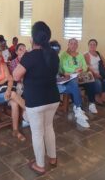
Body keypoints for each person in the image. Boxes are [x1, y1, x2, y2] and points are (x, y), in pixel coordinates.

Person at [13, 21, 60, 175]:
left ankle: (40, 165)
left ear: (32, 39)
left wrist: (22, 61)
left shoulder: (29, 56)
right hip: (53, 98)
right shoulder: (53, 54)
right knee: (48, 127)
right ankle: (52, 158)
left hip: (36, 101)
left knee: (38, 132)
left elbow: (15, 75)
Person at [0, 45, 26, 141]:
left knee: (14, 102)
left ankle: (15, 130)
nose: (0, 58)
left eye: (1, 56)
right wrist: (4, 80)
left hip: (5, 91)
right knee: (14, 94)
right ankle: (30, 111)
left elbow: (10, 80)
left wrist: (8, 90)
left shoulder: (3, 65)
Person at [50, 40, 89, 128]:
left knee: (75, 85)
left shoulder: (55, 59)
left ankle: (78, 109)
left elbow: (58, 73)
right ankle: (78, 109)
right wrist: (65, 75)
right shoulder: (47, 59)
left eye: (57, 51)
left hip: (61, 82)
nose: (56, 52)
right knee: (74, 85)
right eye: (53, 50)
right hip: (51, 86)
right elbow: (52, 75)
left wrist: (62, 77)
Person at [60, 38, 99, 114]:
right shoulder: (63, 55)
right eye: (71, 43)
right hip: (69, 76)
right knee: (74, 83)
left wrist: (81, 70)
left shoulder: (80, 55)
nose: (73, 45)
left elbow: (84, 66)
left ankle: (92, 103)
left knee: (91, 80)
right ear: (68, 44)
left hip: (80, 75)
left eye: (75, 44)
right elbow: (63, 67)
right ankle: (78, 106)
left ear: (77, 45)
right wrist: (75, 70)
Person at [85, 39, 105, 104]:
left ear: (96, 46)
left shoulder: (98, 53)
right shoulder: (86, 54)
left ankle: (104, 94)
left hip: (101, 73)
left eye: (94, 44)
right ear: (88, 45)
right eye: (91, 44)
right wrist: (95, 74)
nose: (92, 46)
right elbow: (87, 67)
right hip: (91, 74)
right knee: (98, 82)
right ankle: (96, 95)